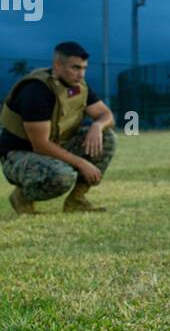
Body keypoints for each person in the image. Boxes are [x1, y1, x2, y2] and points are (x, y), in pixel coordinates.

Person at [1, 41, 116, 214]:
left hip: (54, 146)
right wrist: (81, 163)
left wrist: (97, 126)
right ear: (58, 65)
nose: (81, 74)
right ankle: (22, 197)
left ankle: (76, 201)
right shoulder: (37, 91)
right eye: (75, 68)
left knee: (108, 138)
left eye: (84, 68)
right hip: (19, 154)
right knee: (62, 176)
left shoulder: (78, 86)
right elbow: (40, 145)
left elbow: (106, 115)